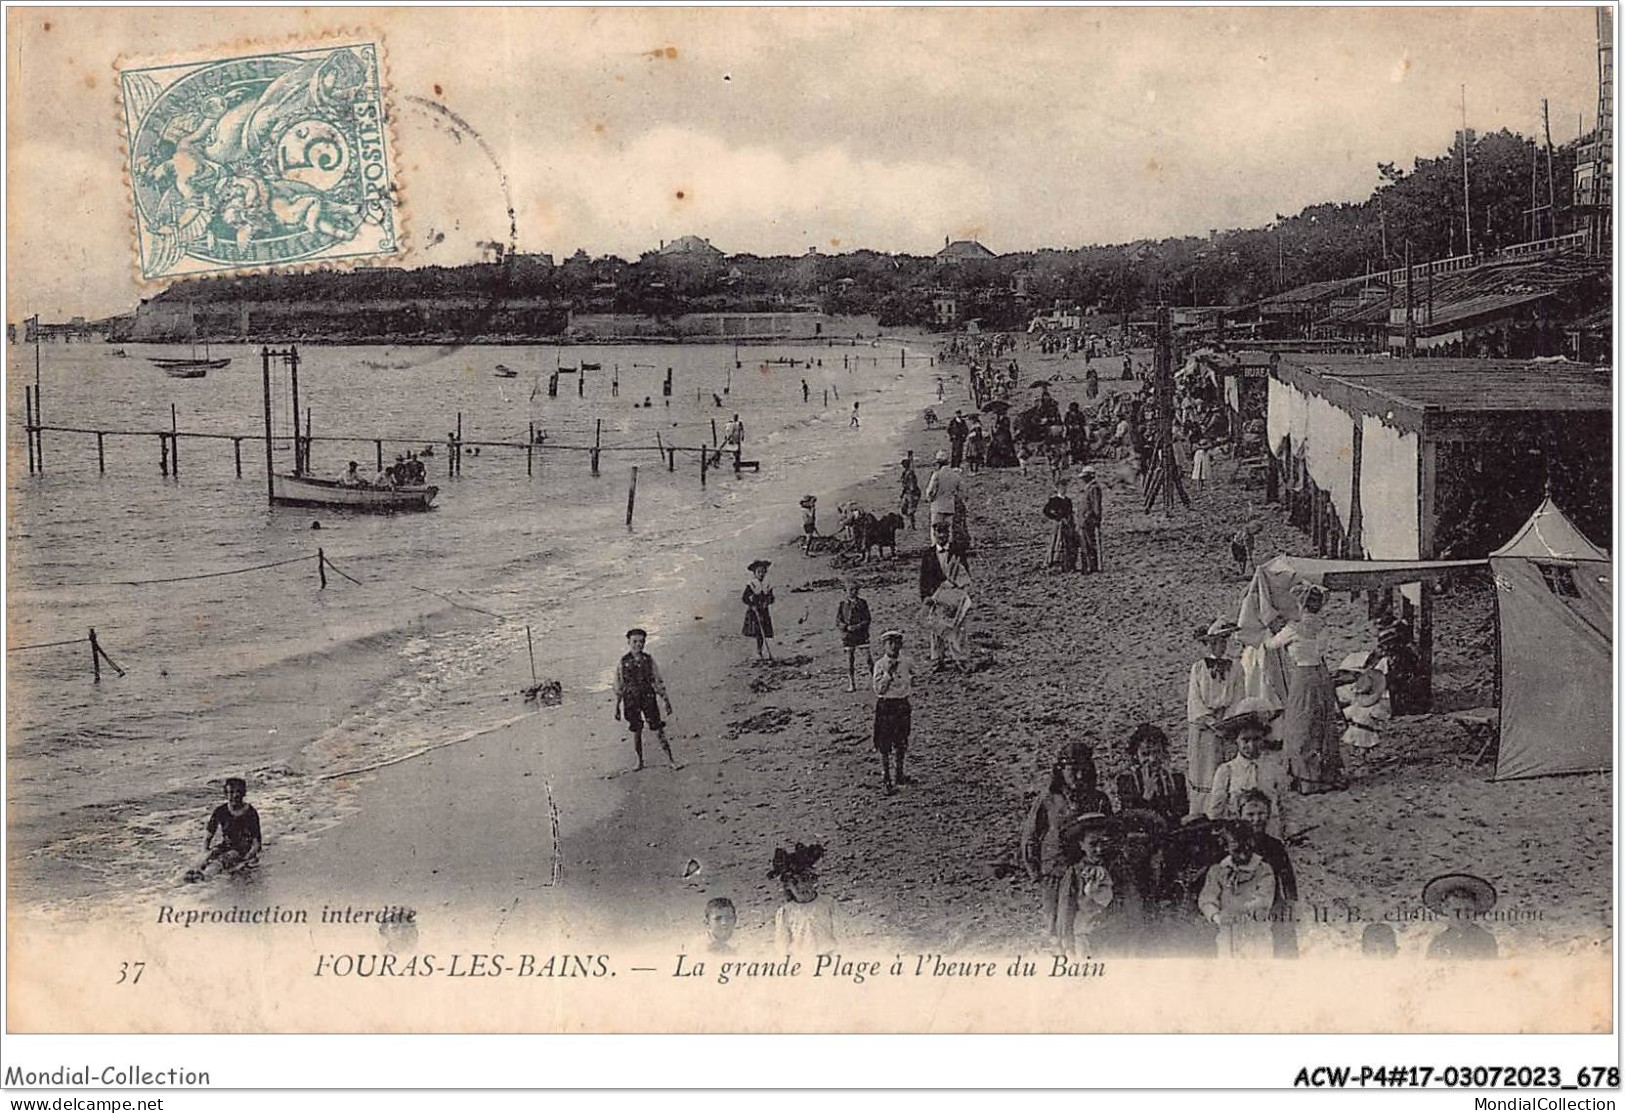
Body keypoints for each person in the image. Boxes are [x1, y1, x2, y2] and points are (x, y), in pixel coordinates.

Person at [1020, 743, 1114, 945]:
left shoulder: (1098, 799)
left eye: (1084, 770)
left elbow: (1110, 833)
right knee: (1056, 926)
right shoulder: (1047, 800)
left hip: (1086, 875)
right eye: (1073, 770)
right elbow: (1031, 837)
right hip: (1055, 873)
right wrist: (1036, 874)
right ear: (1061, 770)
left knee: (1086, 924)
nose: (1079, 776)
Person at [1267, 582, 1346, 794]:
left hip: (1303, 676)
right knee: (1323, 722)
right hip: (1322, 674)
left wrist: (1274, 628)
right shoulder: (1323, 627)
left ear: (1301, 605)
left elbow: (1271, 644)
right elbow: (1319, 650)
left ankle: (1306, 778)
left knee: (1300, 724)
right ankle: (1326, 774)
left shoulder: (1293, 629)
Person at [1204, 697, 1290, 839]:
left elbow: (1285, 805)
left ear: (1264, 738)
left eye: (1256, 739)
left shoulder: (1275, 768)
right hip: (1239, 836)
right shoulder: (1226, 771)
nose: (1251, 746)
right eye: (1245, 740)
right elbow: (1216, 810)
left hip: (1270, 833)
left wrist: (1288, 830)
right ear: (1236, 740)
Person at [1186, 618, 1242, 815]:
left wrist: (1228, 722)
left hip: (1227, 724)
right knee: (1205, 768)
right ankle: (1203, 811)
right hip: (1205, 727)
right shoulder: (1198, 669)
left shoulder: (1236, 667)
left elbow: (1237, 695)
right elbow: (1195, 700)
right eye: (1216, 642)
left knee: (1225, 767)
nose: (1220, 646)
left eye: (1224, 641)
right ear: (1208, 644)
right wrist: (1210, 721)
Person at [1198, 823, 1276, 959]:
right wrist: (1217, 917)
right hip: (1227, 933)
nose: (1242, 851)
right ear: (1226, 846)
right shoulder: (1218, 871)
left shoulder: (1263, 869)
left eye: (1247, 843)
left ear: (1252, 842)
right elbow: (1207, 898)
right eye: (1235, 844)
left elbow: (1264, 899)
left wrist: (1240, 910)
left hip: (1256, 932)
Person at [1238, 789, 1298, 958]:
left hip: (1272, 902)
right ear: (1239, 814)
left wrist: (1291, 901)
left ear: (1269, 814)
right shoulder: (1231, 846)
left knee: (1284, 934)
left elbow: (1287, 877)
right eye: (1250, 814)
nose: (1256, 820)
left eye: (1261, 814)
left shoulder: (1274, 845)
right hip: (1240, 904)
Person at [1056, 814, 1125, 958]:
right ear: (1081, 844)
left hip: (1115, 936)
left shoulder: (1117, 870)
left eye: (1103, 843)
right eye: (1093, 844)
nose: (1099, 849)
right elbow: (1066, 908)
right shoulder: (1075, 872)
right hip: (1085, 935)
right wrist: (1067, 943)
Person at [613, 627, 676, 771]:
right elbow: (619, 685)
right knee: (636, 730)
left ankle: (671, 759)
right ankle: (639, 761)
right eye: (634, 642)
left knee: (658, 728)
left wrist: (666, 700)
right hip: (631, 699)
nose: (638, 645)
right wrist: (617, 707)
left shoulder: (649, 660)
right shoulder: (623, 662)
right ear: (628, 642)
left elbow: (657, 681)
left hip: (648, 697)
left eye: (641, 642)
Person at [184, 776, 262, 882]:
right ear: (226, 794)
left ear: (244, 793)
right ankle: (194, 873)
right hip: (225, 845)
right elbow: (208, 837)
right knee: (210, 855)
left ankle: (206, 877)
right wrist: (205, 852)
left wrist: (248, 857)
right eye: (231, 792)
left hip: (243, 849)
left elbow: (256, 842)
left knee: (224, 859)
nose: (235, 795)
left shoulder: (250, 812)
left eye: (238, 792)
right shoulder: (220, 811)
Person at [918, 521, 972, 670]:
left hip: (953, 596)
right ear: (934, 535)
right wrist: (925, 597)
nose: (942, 537)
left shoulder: (957, 551)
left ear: (948, 534)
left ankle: (959, 659)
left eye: (945, 534)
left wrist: (960, 593)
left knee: (957, 627)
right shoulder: (928, 554)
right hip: (936, 597)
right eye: (939, 534)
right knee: (936, 628)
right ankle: (937, 659)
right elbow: (923, 579)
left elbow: (965, 573)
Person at [1115, 723, 1188, 828]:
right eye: (1145, 754)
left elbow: (1181, 812)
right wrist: (1146, 795)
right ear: (1136, 755)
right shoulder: (1126, 781)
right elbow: (1129, 817)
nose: (1152, 759)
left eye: (1157, 752)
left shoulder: (1176, 779)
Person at [770, 843, 837, 956]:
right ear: (787, 886)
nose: (801, 887)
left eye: (805, 880)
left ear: (813, 880)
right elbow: (782, 946)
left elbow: (842, 937)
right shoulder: (785, 912)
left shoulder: (828, 904)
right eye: (794, 883)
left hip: (828, 958)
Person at [871, 629, 913, 795]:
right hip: (886, 706)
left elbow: (913, 677)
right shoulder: (880, 665)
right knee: (885, 743)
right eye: (890, 644)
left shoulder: (906, 662)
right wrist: (888, 674)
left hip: (902, 705)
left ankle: (899, 774)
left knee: (902, 741)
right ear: (884, 646)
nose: (894, 647)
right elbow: (878, 690)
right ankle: (887, 778)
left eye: (897, 643)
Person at [1422, 874, 1499, 960]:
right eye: (1456, 911)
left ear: (1475, 909)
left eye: (1468, 910)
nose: (1462, 916)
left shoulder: (1485, 939)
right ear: (1445, 910)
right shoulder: (1439, 942)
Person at [837, 578, 874, 693]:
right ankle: (851, 684)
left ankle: (875, 681)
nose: (853, 592)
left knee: (868, 658)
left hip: (861, 634)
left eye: (855, 589)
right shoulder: (842, 605)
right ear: (845, 591)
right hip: (848, 636)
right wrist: (845, 627)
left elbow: (867, 619)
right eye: (851, 590)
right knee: (850, 660)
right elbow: (838, 621)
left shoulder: (863, 603)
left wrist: (858, 626)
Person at [1043, 476, 1081, 572]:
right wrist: (1057, 518)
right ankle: (1053, 561)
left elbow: (1070, 512)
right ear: (1057, 488)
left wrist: (1071, 522)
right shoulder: (1054, 500)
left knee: (1068, 542)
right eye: (1061, 487)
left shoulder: (1068, 500)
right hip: (1058, 524)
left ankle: (1066, 563)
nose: (1063, 489)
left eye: (1064, 487)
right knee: (1057, 541)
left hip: (1068, 524)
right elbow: (1046, 511)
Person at [742, 560, 777, 662]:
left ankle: (761, 650)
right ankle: (758, 651)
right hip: (754, 612)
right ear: (755, 573)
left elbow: (772, 598)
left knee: (763, 632)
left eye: (763, 572)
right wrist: (751, 602)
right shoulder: (751, 585)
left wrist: (768, 602)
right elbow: (744, 598)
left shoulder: (767, 585)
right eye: (759, 572)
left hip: (764, 611)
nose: (761, 574)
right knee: (757, 631)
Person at [922, 450, 961, 532]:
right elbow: (959, 491)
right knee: (948, 529)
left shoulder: (937, 475)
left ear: (939, 464)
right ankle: (948, 544)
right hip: (950, 506)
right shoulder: (955, 475)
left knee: (936, 529)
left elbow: (930, 491)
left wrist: (930, 499)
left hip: (938, 506)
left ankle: (936, 544)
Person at [1076, 465, 1104, 573]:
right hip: (1083, 519)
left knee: (1088, 543)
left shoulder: (1094, 488)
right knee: (1084, 543)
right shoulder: (1088, 487)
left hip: (1088, 520)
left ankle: (1091, 566)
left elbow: (1096, 505)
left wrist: (1094, 518)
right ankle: (1086, 566)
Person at [899, 457, 922, 531]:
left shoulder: (910, 474)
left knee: (910, 510)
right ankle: (910, 524)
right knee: (904, 509)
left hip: (912, 493)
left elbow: (912, 486)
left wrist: (910, 495)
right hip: (908, 492)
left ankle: (912, 526)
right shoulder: (905, 472)